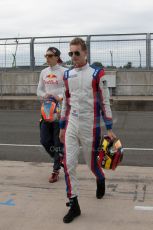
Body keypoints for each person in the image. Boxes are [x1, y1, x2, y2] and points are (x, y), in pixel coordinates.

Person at [59, 37, 116, 223]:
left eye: (77, 53)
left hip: (90, 126)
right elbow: (65, 103)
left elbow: (105, 101)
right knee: (68, 164)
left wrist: (109, 127)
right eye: (71, 53)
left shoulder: (97, 74)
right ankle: (73, 203)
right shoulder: (67, 75)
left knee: (92, 164)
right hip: (72, 123)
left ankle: (100, 178)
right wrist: (61, 126)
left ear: (85, 53)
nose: (74, 56)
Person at [37, 47, 66, 183]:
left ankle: (55, 171)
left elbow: (68, 90)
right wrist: (45, 95)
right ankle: (60, 158)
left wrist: (59, 97)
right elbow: (39, 90)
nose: (47, 58)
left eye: (49, 56)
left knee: (57, 142)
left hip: (60, 112)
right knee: (44, 140)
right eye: (46, 55)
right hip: (46, 111)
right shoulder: (43, 72)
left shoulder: (65, 72)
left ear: (57, 57)